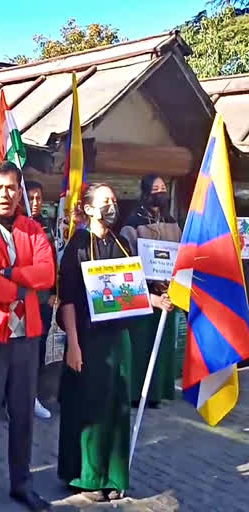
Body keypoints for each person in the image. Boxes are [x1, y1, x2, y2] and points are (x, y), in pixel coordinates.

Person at [0, 161, 55, 512]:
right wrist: (22, 288)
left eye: (11, 188)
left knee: (23, 414)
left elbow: (48, 273)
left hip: (27, 336)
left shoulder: (34, 229)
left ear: (19, 192)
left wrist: (11, 272)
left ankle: (22, 484)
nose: (5, 194)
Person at [58, 183, 132, 501]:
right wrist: (73, 344)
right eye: (105, 202)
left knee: (118, 405)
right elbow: (68, 301)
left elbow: (133, 290)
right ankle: (87, 477)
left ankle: (114, 475)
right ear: (89, 209)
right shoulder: (77, 245)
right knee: (89, 407)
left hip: (118, 338)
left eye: (114, 200)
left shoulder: (123, 243)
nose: (111, 206)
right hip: (87, 339)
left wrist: (158, 300)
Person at [120, 175, 179, 407]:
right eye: (155, 188)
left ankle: (157, 393)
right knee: (141, 346)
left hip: (168, 293)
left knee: (163, 345)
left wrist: (172, 282)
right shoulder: (133, 223)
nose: (160, 192)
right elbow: (129, 259)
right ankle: (136, 394)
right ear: (145, 192)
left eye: (163, 188)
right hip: (144, 296)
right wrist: (149, 288)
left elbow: (180, 254)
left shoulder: (173, 221)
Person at [24, 180, 55, 420]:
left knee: (39, 348)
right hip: (21, 300)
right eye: (31, 197)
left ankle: (32, 396)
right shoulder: (17, 227)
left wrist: (55, 290)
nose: (35, 203)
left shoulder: (47, 227)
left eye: (39, 198)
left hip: (43, 299)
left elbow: (53, 263)